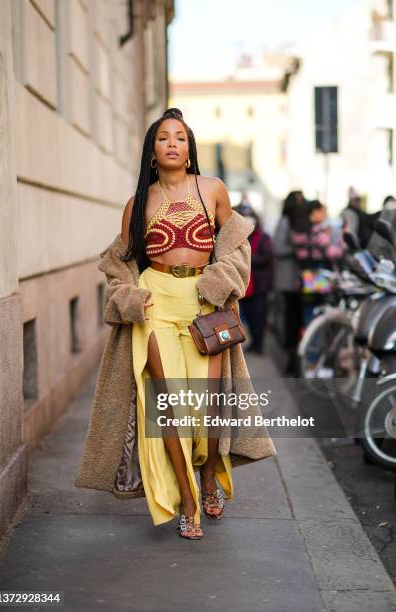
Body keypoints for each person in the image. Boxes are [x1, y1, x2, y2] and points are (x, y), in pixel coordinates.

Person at [75, 108, 277, 541]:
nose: (172, 143)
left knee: (204, 410)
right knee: (167, 406)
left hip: (204, 306)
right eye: (164, 137)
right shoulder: (138, 202)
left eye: (180, 138)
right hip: (156, 305)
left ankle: (207, 477)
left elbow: (236, 248)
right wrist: (130, 298)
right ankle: (187, 500)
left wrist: (220, 281)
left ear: (190, 148)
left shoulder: (213, 189)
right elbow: (118, 263)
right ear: (152, 151)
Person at [291, 200, 345, 328]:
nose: (324, 215)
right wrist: (342, 240)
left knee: (308, 308)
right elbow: (333, 253)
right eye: (322, 211)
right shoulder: (317, 231)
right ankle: (314, 345)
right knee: (318, 310)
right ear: (314, 212)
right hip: (318, 275)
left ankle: (307, 341)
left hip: (304, 274)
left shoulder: (298, 231)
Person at [273, 190, 307, 374]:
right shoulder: (285, 221)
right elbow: (278, 248)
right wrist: (296, 247)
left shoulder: (295, 221)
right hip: (288, 281)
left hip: (297, 281)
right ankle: (291, 361)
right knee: (291, 321)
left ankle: (296, 359)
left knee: (296, 320)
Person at [239, 208, 273, 355]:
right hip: (245, 284)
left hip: (259, 285)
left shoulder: (264, 237)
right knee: (248, 316)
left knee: (259, 317)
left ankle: (259, 345)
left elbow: (266, 258)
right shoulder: (241, 236)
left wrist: (246, 257)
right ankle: (253, 342)